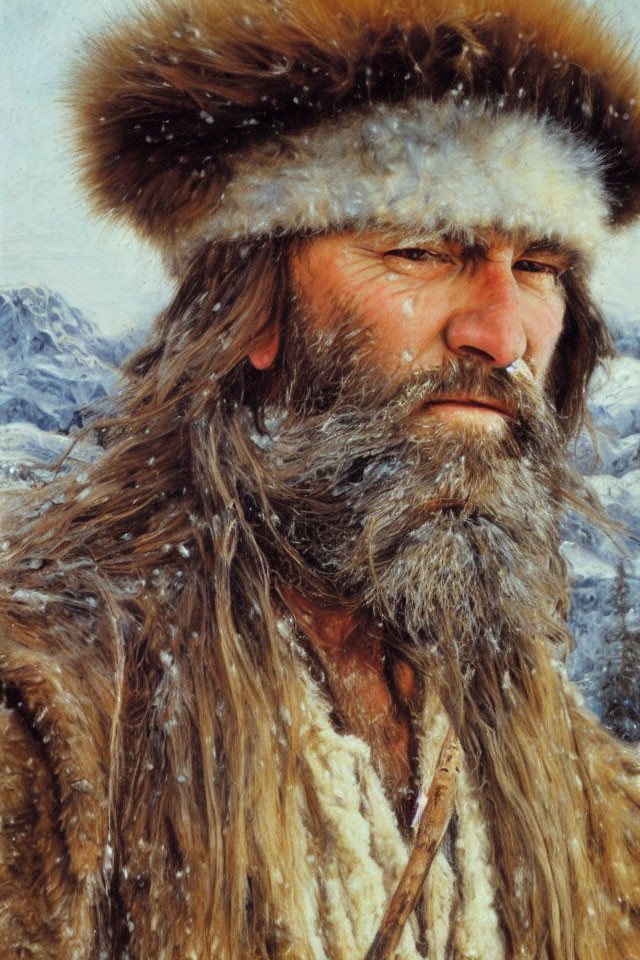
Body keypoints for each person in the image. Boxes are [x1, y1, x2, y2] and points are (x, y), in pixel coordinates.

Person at [1, 0, 640, 957]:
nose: (502, 336)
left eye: (539, 266)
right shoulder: (54, 721)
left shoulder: (557, 758)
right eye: (420, 249)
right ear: (249, 310)